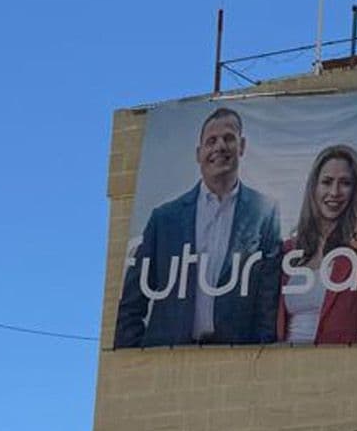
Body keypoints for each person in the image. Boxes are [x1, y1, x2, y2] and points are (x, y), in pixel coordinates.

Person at [114, 107, 283, 347]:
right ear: (198, 153)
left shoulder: (264, 213)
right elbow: (132, 303)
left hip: (235, 360)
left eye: (228, 138)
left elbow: (268, 302)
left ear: (242, 146)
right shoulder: (164, 219)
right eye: (211, 141)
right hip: (166, 359)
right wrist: (137, 357)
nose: (219, 147)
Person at [277, 145, 357, 345]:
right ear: (314, 188)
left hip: (335, 365)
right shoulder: (287, 250)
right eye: (327, 182)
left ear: (356, 190)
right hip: (284, 364)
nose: (334, 192)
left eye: (345, 183)